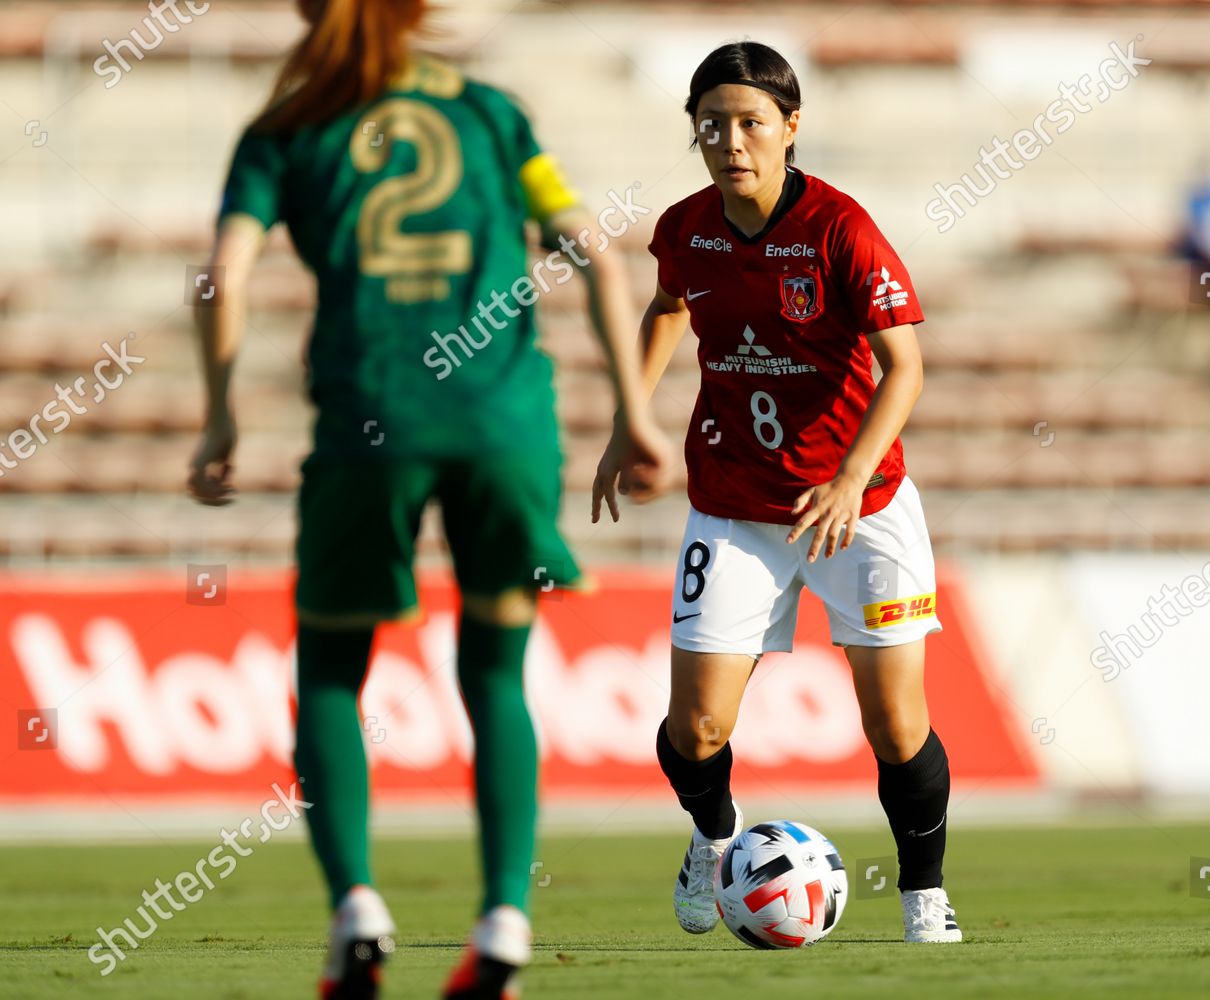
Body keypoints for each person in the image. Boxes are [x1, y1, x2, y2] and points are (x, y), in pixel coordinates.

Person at [188, 1, 667, 996]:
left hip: (374, 424)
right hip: (505, 427)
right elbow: (596, 250)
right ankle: (503, 922)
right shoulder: (493, 112)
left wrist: (221, 415)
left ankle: (356, 907)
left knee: (328, 669)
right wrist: (635, 412)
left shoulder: (285, 127)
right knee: (495, 668)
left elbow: (221, 274)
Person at [593, 40, 961, 945]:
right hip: (733, 502)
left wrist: (847, 478)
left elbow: (905, 368)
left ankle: (925, 897)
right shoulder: (686, 229)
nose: (731, 140)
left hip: (860, 511)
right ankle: (715, 841)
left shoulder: (841, 228)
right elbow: (667, 307)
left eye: (751, 122)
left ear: (790, 128)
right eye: (711, 123)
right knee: (699, 725)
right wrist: (628, 419)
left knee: (894, 721)